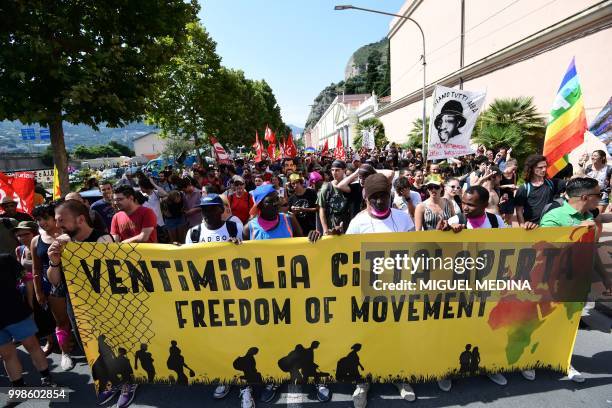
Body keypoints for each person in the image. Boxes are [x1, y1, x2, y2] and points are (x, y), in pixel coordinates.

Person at [45, 200, 139, 407]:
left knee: (116, 344)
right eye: (56, 221)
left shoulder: (102, 239)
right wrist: (54, 261)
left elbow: (116, 274)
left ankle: (127, 381)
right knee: (91, 346)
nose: (57, 225)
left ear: (80, 219)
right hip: (77, 305)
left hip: (105, 303)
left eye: (62, 221)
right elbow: (54, 280)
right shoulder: (62, 243)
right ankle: (110, 381)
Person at [242, 184, 327, 405]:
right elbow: (240, 257)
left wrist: (313, 235)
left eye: (276, 199)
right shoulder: (249, 228)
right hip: (267, 295)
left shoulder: (289, 219)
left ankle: (317, 377)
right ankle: (274, 377)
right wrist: (234, 246)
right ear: (260, 205)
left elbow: (305, 245)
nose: (276, 203)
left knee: (305, 333)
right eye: (270, 201)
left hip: (295, 291)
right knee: (275, 337)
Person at [341, 173, 415, 406]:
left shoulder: (403, 219)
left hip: (398, 288)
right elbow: (346, 257)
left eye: (383, 196)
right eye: (374, 197)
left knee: (396, 336)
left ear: (390, 194)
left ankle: (398, 376)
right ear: (366, 197)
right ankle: (363, 382)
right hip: (367, 291)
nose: (380, 201)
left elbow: (415, 249)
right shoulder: (357, 223)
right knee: (367, 337)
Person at [441, 185, 512, 387]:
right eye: (463, 202)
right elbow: (438, 250)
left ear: (483, 205)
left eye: (470, 204)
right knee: (455, 331)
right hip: (459, 288)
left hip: (487, 286)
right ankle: (446, 371)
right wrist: (446, 233)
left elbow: (509, 244)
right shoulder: (456, 221)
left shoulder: (495, 221)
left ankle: (488, 366)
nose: (465, 207)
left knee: (486, 329)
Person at [0, 254, 57, 389]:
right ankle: (19, 388)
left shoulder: (6, 259)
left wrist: (30, 303)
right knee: (6, 355)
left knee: (32, 345)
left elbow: (27, 278)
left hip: (16, 312)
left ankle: (46, 378)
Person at [30, 203, 73, 370]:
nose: (42, 222)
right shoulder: (36, 241)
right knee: (61, 320)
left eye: (46, 218)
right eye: (38, 219)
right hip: (54, 287)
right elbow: (36, 268)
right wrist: (38, 291)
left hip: (77, 283)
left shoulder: (70, 235)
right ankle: (65, 353)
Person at [515, 154, 565, 228]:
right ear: (531, 168)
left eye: (545, 167)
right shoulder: (524, 188)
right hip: (532, 228)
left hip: (550, 225)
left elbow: (572, 186)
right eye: (540, 167)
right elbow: (519, 210)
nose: (544, 169)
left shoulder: (552, 183)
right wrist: (522, 226)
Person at [317, 160, 351, 234]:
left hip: (347, 224)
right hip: (331, 225)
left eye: (337, 170)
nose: (334, 173)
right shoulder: (326, 187)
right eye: (332, 170)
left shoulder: (350, 186)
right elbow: (322, 210)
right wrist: (325, 230)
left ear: (344, 170)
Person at [138, 177, 169, 243]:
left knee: (163, 243)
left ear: (146, 186)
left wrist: (153, 183)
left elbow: (165, 194)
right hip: (148, 226)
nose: (140, 188)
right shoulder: (140, 195)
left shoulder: (155, 193)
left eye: (141, 187)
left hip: (160, 224)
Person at [584, 149, 611, 214]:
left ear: (603, 157)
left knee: (597, 217)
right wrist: (583, 163)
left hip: (602, 196)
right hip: (589, 196)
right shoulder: (589, 167)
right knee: (588, 218)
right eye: (592, 156)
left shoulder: (609, 169)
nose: (592, 157)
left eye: (595, 156)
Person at [499, 159, 519, 225]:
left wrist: (515, 188)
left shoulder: (514, 175)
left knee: (509, 217)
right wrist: (508, 185)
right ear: (508, 166)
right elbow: (498, 186)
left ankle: (510, 231)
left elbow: (514, 186)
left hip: (510, 198)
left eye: (515, 169)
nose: (514, 171)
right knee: (501, 217)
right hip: (501, 198)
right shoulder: (501, 175)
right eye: (513, 169)